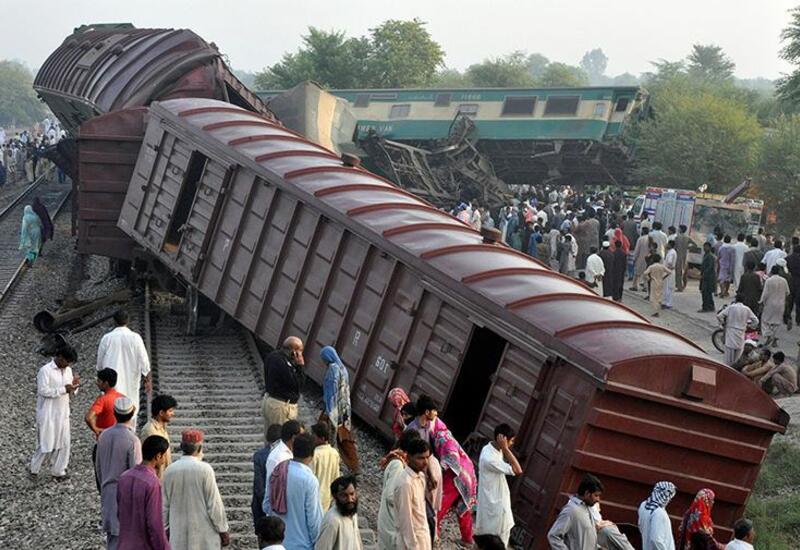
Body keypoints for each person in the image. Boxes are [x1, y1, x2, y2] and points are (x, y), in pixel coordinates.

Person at [162, 429, 230, 549]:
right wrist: (223, 529)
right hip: (204, 537)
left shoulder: (169, 471)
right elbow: (214, 505)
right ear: (199, 449)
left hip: (178, 536)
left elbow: (164, 506)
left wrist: (165, 528)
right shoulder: (205, 470)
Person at [96, 396, 143, 550]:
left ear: (114, 414)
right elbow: (136, 475)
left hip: (107, 492)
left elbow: (98, 468)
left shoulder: (103, 436)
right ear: (133, 413)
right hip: (125, 497)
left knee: (112, 539)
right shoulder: (132, 440)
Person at [30, 345, 79, 479]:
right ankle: (34, 469)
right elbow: (43, 391)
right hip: (48, 412)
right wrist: (63, 389)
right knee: (46, 442)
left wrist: (74, 386)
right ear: (60, 357)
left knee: (64, 442)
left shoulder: (68, 370)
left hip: (63, 412)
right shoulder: (45, 371)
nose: (67, 365)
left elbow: (71, 389)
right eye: (66, 361)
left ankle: (58, 471)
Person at [96, 310, 151, 426]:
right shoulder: (135, 338)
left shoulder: (107, 338)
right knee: (130, 412)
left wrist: (100, 379)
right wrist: (147, 379)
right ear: (128, 321)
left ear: (114, 321)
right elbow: (144, 361)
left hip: (111, 384)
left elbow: (100, 364)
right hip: (130, 383)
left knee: (111, 412)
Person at [116, 435, 171, 550]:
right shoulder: (152, 483)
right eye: (165, 455)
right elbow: (154, 523)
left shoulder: (124, 477)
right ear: (158, 456)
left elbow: (119, 513)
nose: (165, 459)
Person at [270, 433, 323, 550]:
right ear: (312, 454)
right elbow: (314, 519)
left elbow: (266, 505)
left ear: (292, 448)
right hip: (302, 544)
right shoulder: (309, 480)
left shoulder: (278, 471)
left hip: (277, 543)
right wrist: (318, 543)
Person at [430, 416, 477, 546]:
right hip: (467, 474)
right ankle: (467, 538)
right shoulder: (445, 434)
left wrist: (440, 469)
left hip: (455, 474)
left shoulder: (441, 437)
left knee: (439, 503)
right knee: (463, 505)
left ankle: (432, 533)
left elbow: (451, 458)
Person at [475, 423, 523, 547]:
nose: (511, 444)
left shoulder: (490, 448)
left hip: (494, 500)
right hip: (495, 505)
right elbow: (518, 470)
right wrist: (506, 449)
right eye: (510, 441)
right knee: (496, 540)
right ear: (502, 439)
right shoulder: (490, 458)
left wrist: (504, 448)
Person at [321, 346, 358, 473]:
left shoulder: (332, 370)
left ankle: (329, 463)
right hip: (345, 409)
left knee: (326, 436)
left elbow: (331, 393)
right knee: (345, 437)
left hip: (334, 410)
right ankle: (354, 466)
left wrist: (329, 411)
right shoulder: (343, 368)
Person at [86, 368, 124, 488]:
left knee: (102, 480)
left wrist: (96, 429)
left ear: (106, 383)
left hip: (104, 444)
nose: (97, 383)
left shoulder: (102, 399)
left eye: (99, 381)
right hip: (120, 443)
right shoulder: (123, 398)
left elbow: (88, 417)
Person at [262, 337, 305, 441]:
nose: (301, 355)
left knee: (271, 438)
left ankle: (268, 456)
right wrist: (300, 366)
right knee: (281, 439)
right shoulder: (282, 363)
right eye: (300, 352)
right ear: (293, 352)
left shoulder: (273, 356)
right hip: (280, 407)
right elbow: (298, 384)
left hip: (271, 402)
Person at [547, 474, 604, 550]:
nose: (598, 500)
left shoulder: (588, 508)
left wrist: (598, 548)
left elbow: (582, 539)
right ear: (587, 493)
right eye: (596, 495)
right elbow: (553, 536)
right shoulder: (571, 510)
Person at [394, 438, 432, 550]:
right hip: (411, 542)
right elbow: (405, 519)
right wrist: (412, 546)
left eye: (427, 457)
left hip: (423, 537)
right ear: (408, 457)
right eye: (420, 458)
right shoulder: (405, 483)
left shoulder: (420, 477)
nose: (425, 462)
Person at [264, 419, 303, 514]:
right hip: (280, 508)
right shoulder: (277, 457)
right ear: (294, 438)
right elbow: (271, 486)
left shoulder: (293, 452)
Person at [315, 475, 363, 550]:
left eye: (352, 494)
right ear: (335, 497)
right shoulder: (333, 521)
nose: (350, 499)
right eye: (344, 496)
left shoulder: (352, 514)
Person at [254, 423, 284, 532]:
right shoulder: (286, 454)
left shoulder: (259, 455)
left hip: (262, 504)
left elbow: (259, 485)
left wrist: (265, 504)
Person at [138, 394, 177, 478]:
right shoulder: (149, 430)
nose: (172, 413)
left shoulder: (162, 429)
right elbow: (148, 460)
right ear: (161, 413)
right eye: (170, 411)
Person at [717, 295, 759, 366]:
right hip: (741, 333)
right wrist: (750, 326)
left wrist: (723, 324)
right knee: (738, 357)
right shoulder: (747, 309)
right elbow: (756, 321)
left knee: (728, 358)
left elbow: (719, 316)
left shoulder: (731, 307)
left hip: (731, 332)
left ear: (736, 299)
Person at [638, 481, 677, 550]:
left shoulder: (644, 505)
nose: (669, 500)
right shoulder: (659, 513)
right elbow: (656, 540)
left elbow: (640, 526)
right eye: (670, 498)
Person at [311, 422, 341, 512]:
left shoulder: (315, 455)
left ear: (322, 438)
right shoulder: (334, 453)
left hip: (315, 496)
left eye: (314, 436)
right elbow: (336, 476)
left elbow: (310, 477)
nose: (312, 438)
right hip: (327, 496)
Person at [760, 266, 791, 347]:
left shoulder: (769, 281)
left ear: (771, 271)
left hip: (770, 304)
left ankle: (768, 335)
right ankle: (774, 338)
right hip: (780, 304)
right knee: (777, 322)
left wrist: (761, 302)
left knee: (765, 321)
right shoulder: (784, 280)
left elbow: (765, 293)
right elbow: (787, 292)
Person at [631, 227, 651, 291]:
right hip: (648, 258)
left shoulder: (640, 239)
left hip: (640, 258)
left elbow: (637, 250)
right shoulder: (650, 238)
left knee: (637, 273)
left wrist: (634, 258)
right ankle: (645, 287)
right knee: (646, 273)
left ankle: (635, 286)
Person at [699, 243, 716, 313]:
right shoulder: (706, 255)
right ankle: (710, 306)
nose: (704, 248)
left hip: (708, 278)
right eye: (704, 247)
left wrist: (704, 274)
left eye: (706, 247)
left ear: (709, 247)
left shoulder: (710, 256)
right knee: (707, 292)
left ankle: (706, 307)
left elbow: (710, 267)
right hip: (705, 277)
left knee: (706, 292)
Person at [674, 225, 691, 291]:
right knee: (683, 271)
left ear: (681, 229)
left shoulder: (677, 237)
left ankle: (679, 287)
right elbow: (695, 245)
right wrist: (688, 248)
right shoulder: (687, 237)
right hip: (685, 256)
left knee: (678, 272)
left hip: (679, 256)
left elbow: (675, 247)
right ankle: (682, 285)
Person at [787, 245, 800, 324]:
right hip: (799, 282)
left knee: (790, 301)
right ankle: (798, 319)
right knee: (798, 302)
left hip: (790, 281)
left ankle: (788, 317)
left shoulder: (788, 259)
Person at [663, 241, 677, 309]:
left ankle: (668, 303)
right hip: (669, 272)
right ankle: (666, 302)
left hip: (669, 272)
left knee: (668, 288)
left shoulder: (671, 252)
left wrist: (666, 270)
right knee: (667, 288)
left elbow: (670, 263)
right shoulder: (671, 252)